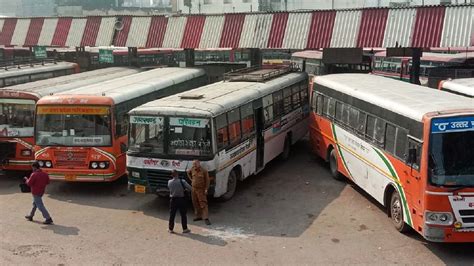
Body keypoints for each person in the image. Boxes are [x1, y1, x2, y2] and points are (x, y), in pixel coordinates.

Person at [187, 160, 211, 225]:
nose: (194, 165)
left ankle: (206, 218)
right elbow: (188, 173)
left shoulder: (204, 171)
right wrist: (191, 180)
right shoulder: (192, 169)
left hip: (201, 189)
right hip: (194, 189)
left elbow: (207, 181)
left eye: (195, 164)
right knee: (195, 202)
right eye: (193, 164)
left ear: (199, 164)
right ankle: (198, 216)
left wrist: (206, 189)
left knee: (203, 203)